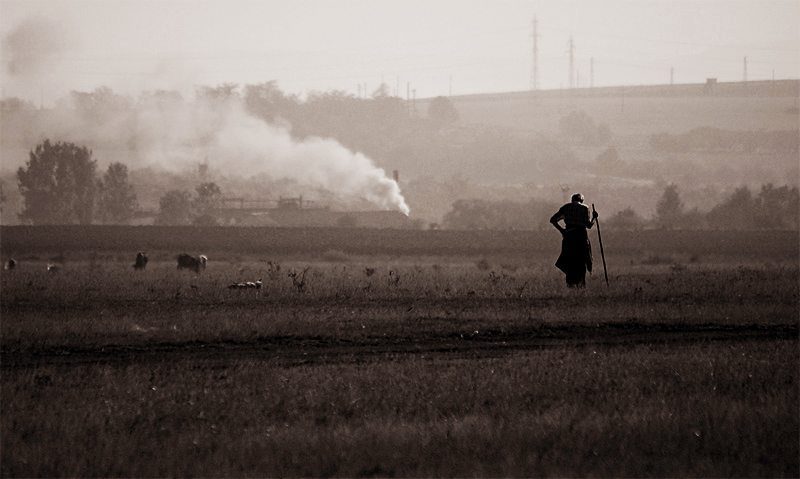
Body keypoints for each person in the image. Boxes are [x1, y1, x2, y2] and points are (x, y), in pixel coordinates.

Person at [549, 193, 598, 287]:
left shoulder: (565, 208)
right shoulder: (584, 208)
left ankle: (570, 284)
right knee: (582, 260)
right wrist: (594, 218)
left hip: (569, 237)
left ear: (572, 200)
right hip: (580, 237)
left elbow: (553, 220)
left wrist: (562, 230)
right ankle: (581, 284)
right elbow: (588, 225)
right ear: (582, 200)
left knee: (569, 260)